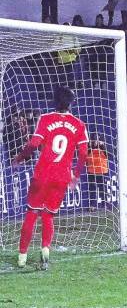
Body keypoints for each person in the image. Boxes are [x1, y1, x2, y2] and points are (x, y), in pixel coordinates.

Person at [14, 87, 88, 270]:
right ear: (71, 103)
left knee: (32, 214)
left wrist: (20, 158)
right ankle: (45, 250)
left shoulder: (45, 119)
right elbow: (84, 154)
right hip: (61, 176)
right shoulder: (79, 124)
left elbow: (33, 144)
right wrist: (75, 176)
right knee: (48, 215)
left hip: (42, 174)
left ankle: (22, 257)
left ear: (54, 101)